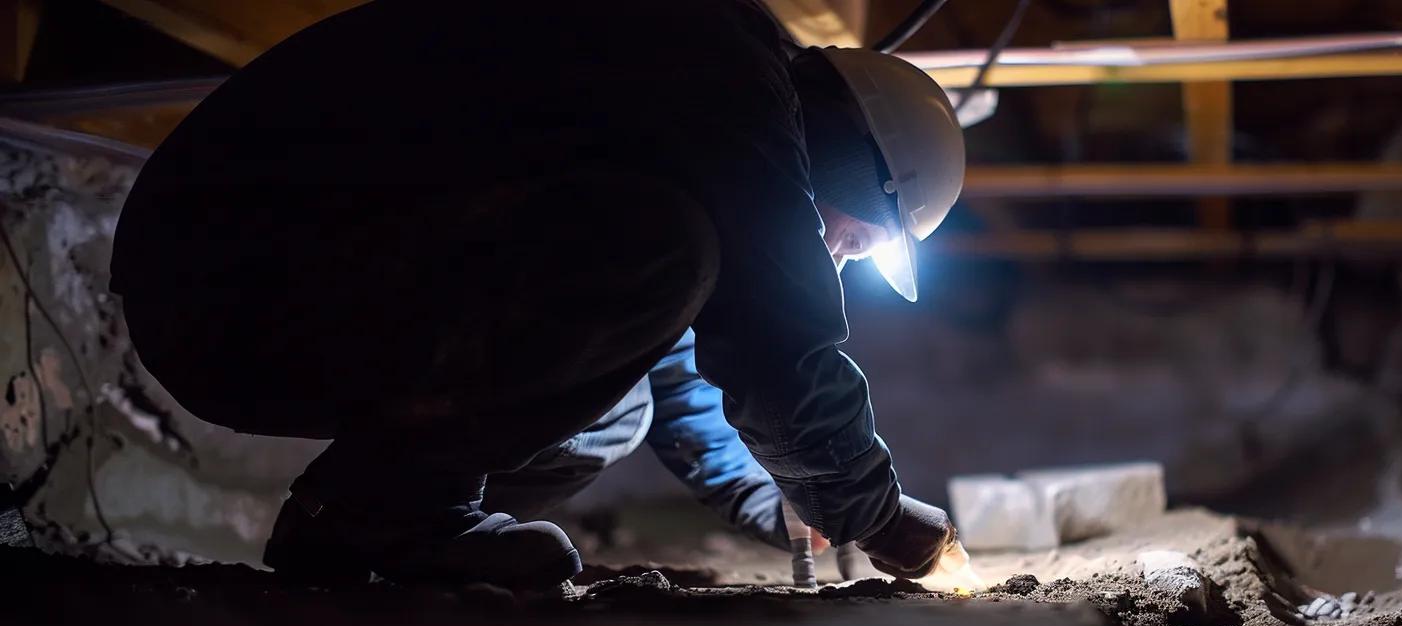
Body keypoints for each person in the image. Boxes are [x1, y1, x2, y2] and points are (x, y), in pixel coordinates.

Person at [108, 0, 967, 587]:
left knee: (616, 404)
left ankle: (390, 531)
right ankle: (387, 515)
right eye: (849, 238)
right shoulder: (721, 72)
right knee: (659, 248)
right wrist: (875, 513)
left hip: (241, 277)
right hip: (229, 268)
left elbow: (672, 366)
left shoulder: (707, 100)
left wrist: (774, 500)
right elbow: (774, 338)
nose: (835, 260)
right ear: (854, 163)